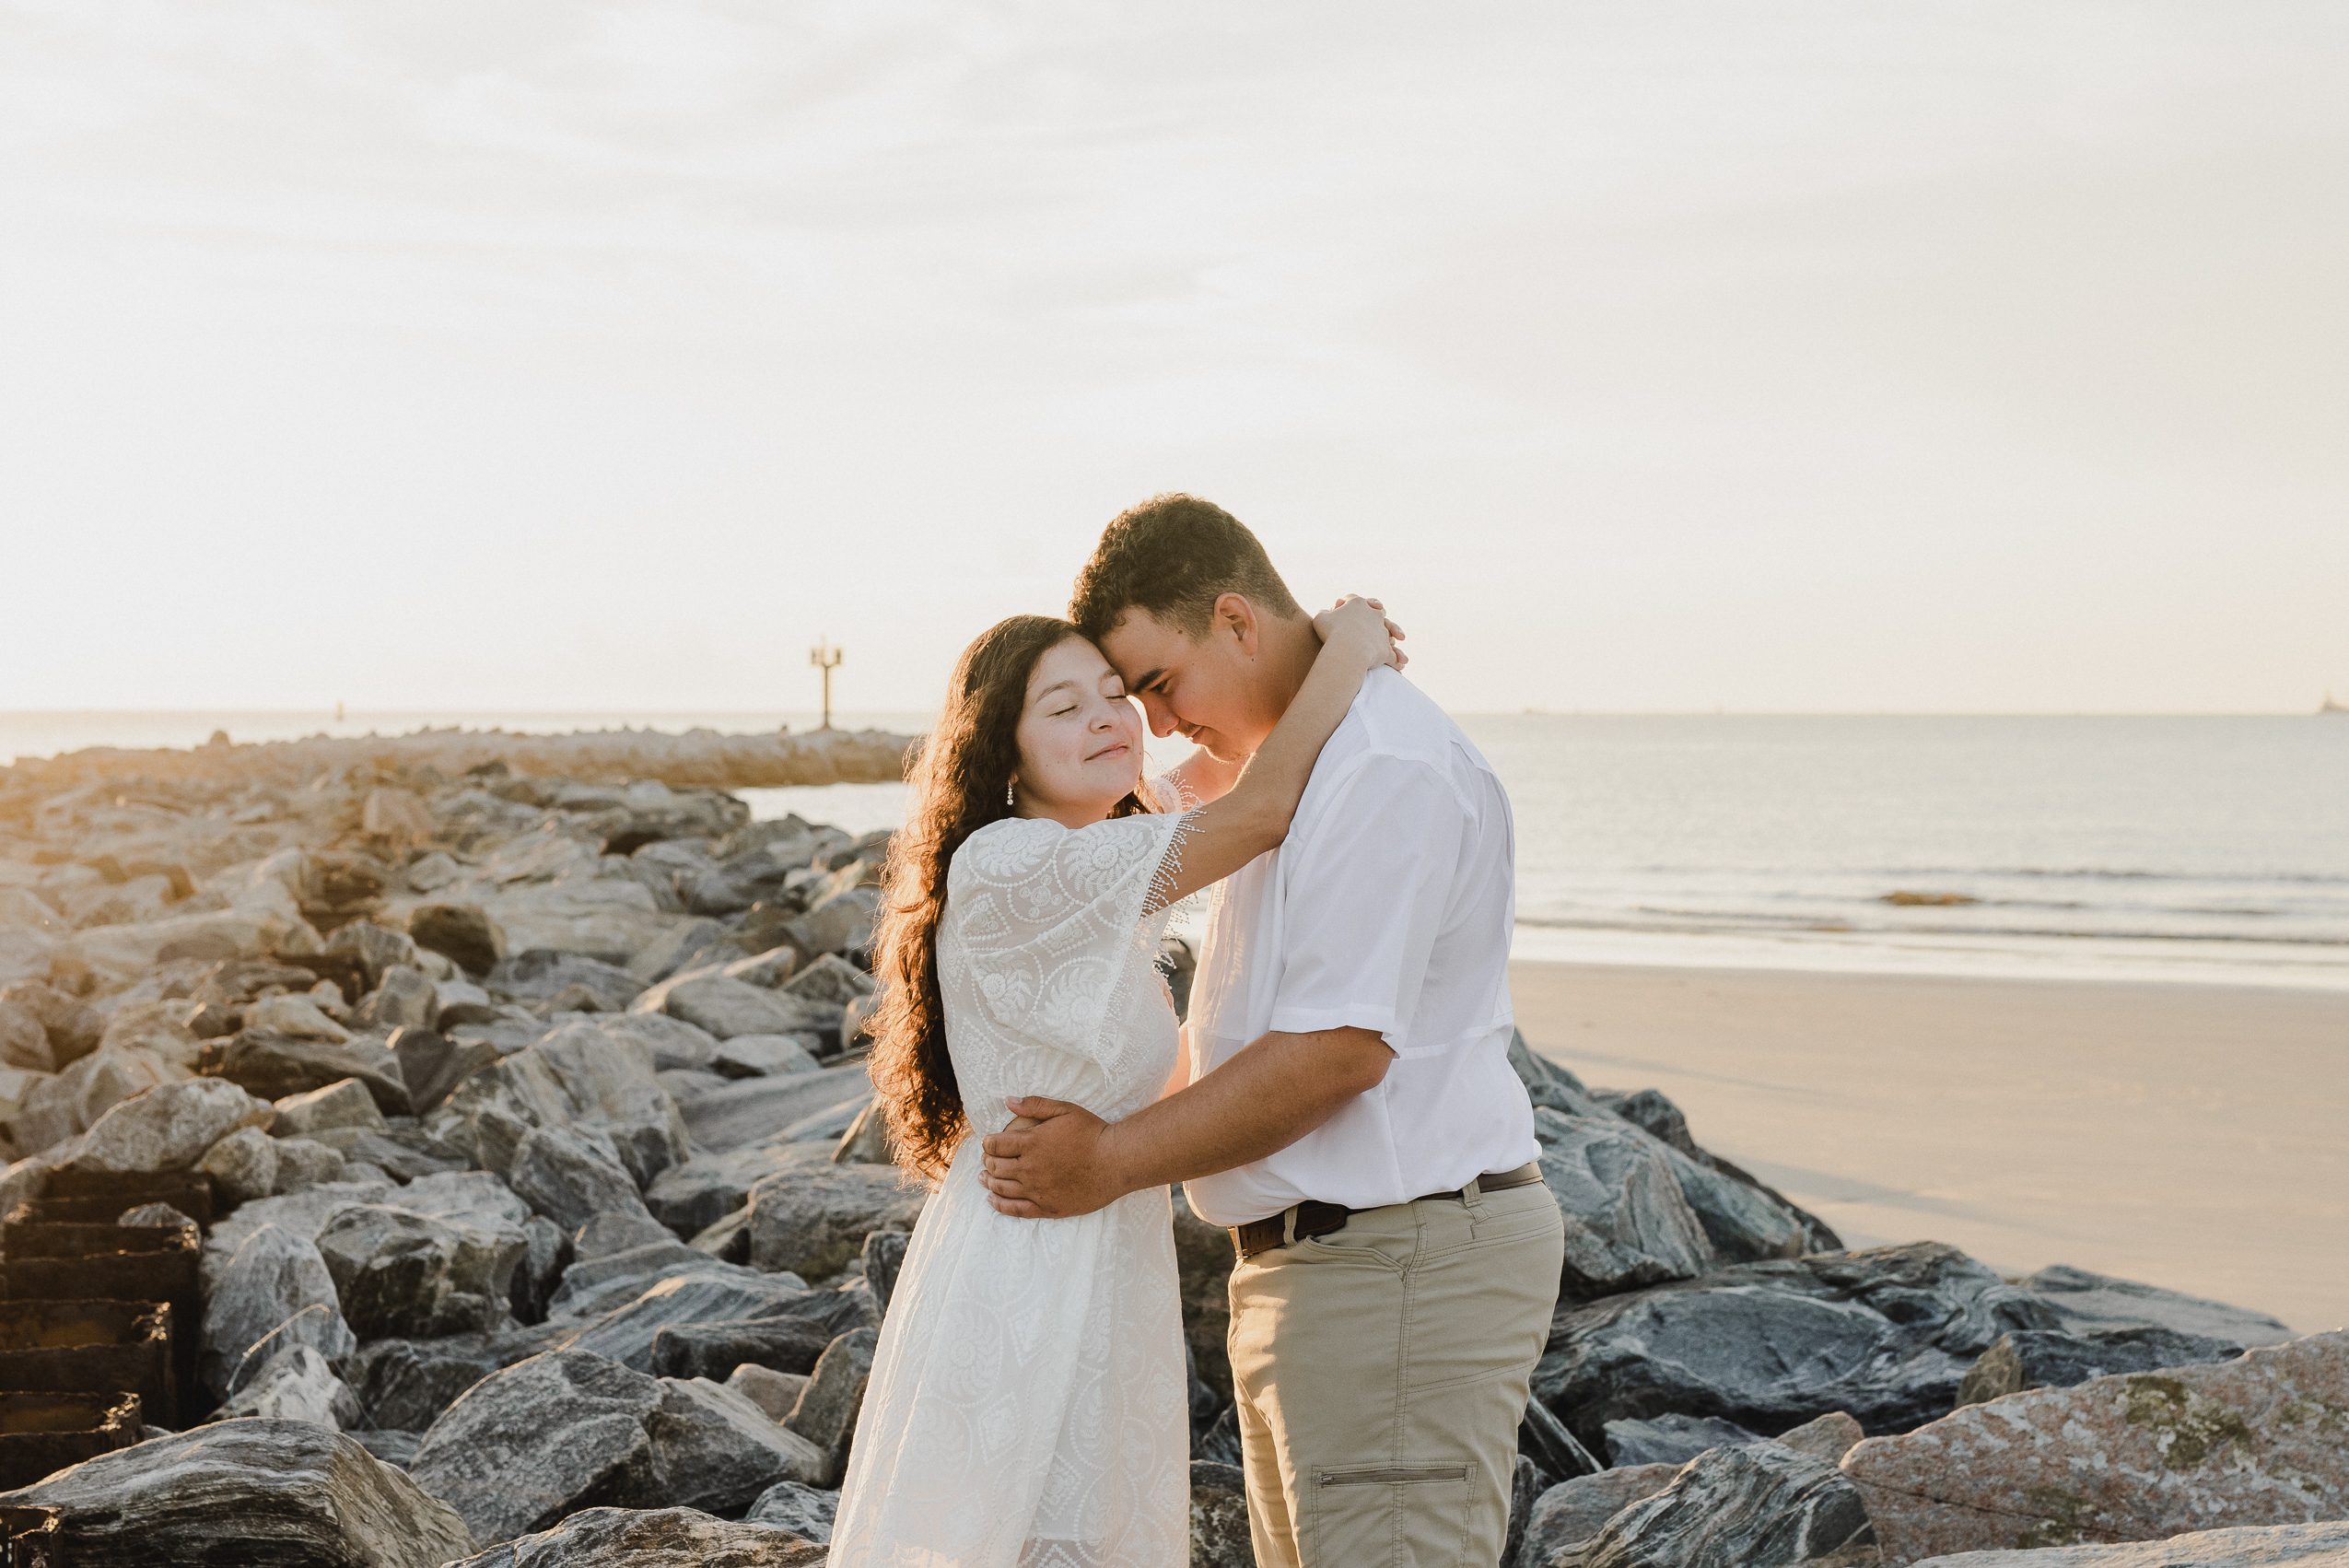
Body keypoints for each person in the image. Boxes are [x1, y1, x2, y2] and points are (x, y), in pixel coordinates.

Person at [979, 494, 1566, 1568]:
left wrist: (1108, 1160)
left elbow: (1337, 1050)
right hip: (1326, 1267)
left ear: (1238, 622)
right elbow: (1196, 807)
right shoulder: (1291, 765)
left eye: (1156, 684)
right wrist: (1348, 644)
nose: (1152, 723)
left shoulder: (1382, 768)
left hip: (1397, 1263)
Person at [825, 591, 1406, 1568]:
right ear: (1001, 753)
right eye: (1063, 708)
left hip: (1092, 1245)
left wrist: (1275, 663)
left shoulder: (1098, 854)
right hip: (1033, 1263)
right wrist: (1348, 646)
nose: (1108, 718)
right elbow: (1264, 806)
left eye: (1117, 694)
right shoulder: (1016, 862)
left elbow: (1229, 760)